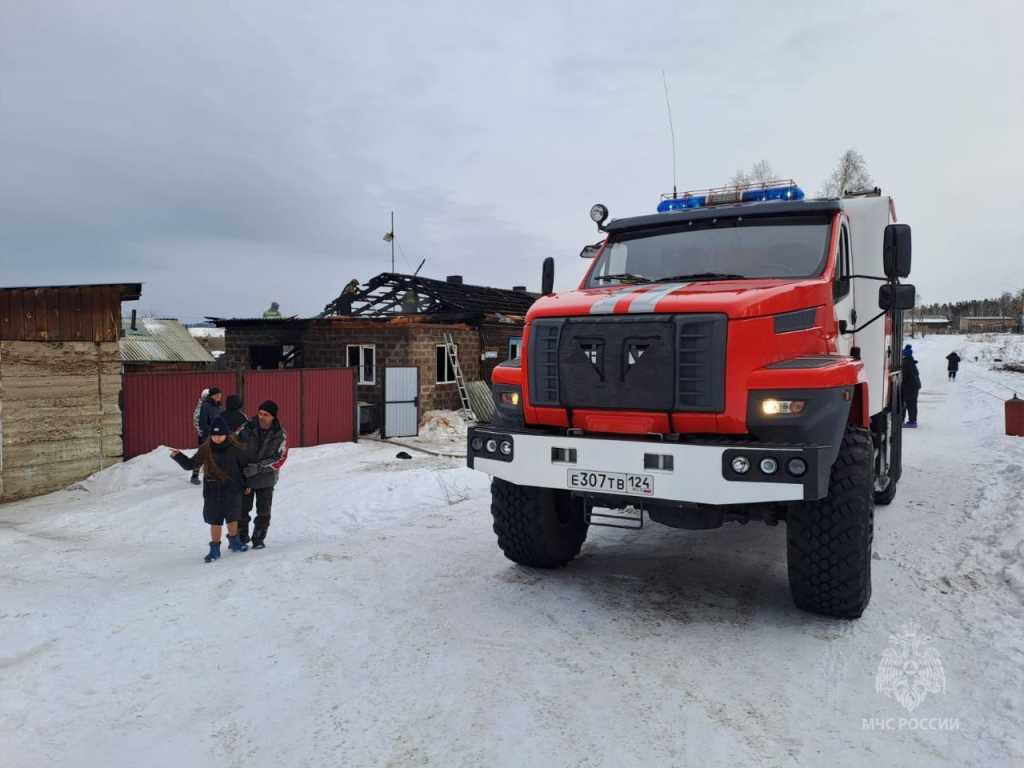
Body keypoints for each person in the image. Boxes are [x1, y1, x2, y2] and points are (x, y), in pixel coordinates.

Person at [170, 416, 250, 562]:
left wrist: (247, 485)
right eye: (214, 435)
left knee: (233, 518)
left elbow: (245, 468)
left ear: (226, 434)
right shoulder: (205, 449)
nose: (217, 438)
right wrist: (178, 456)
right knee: (215, 521)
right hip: (213, 492)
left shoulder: (236, 449)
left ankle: (235, 542)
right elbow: (191, 464)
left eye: (220, 435)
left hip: (233, 490)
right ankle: (215, 549)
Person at [239, 400, 288, 548]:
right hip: (246, 476)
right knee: (242, 509)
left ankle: (259, 538)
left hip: (266, 478)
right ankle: (242, 537)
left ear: (273, 417)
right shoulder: (245, 427)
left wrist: (259, 468)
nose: (261, 416)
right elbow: (233, 446)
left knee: (264, 511)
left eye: (266, 414)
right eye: (260, 413)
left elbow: (280, 458)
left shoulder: (280, 433)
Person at [189, 387, 225, 484]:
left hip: (218, 436)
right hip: (206, 435)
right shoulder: (204, 406)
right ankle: (195, 475)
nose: (218, 396)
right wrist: (208, 432)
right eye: (216, 395)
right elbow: (200, 422)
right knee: (203, 455)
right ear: (210, 396)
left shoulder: (220, 406)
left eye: (220, 394)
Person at [902, 344, 921, 428]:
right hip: (914, 385)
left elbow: (905, 376)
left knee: (910, 403)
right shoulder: (910, 361)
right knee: (912, 403)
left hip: (911, 386)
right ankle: (912, 420)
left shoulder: (906, 363)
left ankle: (912, 422)